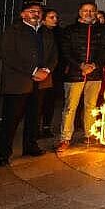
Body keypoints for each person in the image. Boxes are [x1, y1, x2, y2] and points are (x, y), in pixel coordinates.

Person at [0, 3, 58, 166]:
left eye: (39, 12)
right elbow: (7, 55)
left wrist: (47, 70)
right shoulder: (13, 31)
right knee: (11, 119)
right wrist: (33, 71)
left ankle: (30, 146)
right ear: (23, 15)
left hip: (41, 82)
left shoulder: (46, 32)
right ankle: (2, 153)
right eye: (32, 11)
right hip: (18, 82)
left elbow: (54, 55)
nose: (36, 14)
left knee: (34, 116)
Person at [57, 2, 105, 152]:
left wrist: (94, 65)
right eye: (85, 11)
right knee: (70, 107)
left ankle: (90, 134)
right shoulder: (70, 30)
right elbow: (65, 51)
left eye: (91, 11)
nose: (88, 13)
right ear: (80, 12)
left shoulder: (103, 31)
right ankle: (65, 138)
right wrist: (80, 65)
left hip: (94, 75)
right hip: (75, 74)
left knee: (91, 106)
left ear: (96, 13)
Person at [37, 8, 63, 138]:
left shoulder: (59, 33)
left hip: (55, 71)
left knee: (50, 101)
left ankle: (46, 126)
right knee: (39, 101)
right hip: (42, 71)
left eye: (56, 17)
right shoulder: (39, 32)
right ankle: (36, 127)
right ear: (43, 20)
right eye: (51, 17)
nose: (55, 20)